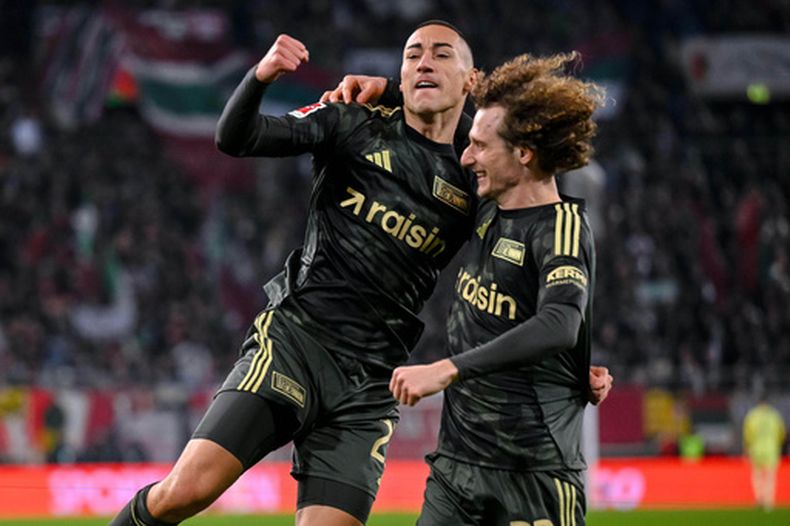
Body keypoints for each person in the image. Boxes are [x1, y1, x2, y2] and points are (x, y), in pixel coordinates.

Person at [109, 20, 479, 526]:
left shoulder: (476, 172)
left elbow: (528, 146)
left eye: (441, 55)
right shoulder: (352, 122)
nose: (424, 63)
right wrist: (260, 77)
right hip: (295, 343)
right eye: (412, 55)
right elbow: (236, 137)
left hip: (369, 383)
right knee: (185, 492)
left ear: (471, 79)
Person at [388, 52, 606, 525]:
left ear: (523, 153)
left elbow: (560, 323)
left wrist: (447, 370)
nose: (466, 157)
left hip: (535, 476)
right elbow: (441, 114)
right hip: (456, 472)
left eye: (480, 147)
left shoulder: (560, 228)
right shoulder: (487, 207)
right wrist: (388, 90)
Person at [743, 393, 786, 510]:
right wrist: (777, 443)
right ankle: (769, 501)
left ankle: (759, 499)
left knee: (757, 476)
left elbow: (747, 434)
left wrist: (747, 447)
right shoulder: (774, 416)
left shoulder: (753, 415)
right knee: (770, 476)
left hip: (756, 449)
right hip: (771, 449)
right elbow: (781, 433)